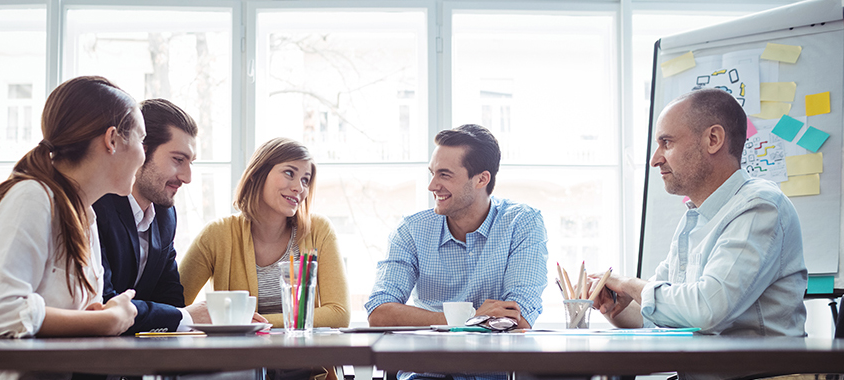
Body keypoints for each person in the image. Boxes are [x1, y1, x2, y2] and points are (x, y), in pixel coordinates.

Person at [0, 76, 142, 380]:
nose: (143, 155)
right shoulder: (32, 197)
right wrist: (108, 320)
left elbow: (77, 319)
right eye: (141, 140)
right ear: (112, 140)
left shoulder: (84, 216)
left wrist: (101, 316)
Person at [591, 89, 807, 378]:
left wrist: (629, 285)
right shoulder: (694, 219)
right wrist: (612, 306)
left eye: (666, 143)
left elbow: (706, 309)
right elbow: (663, 316)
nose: (655, 159)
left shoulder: (760, 206)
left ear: (713, 139)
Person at [365, 124, 548, 380]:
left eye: (444, 175)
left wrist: (441, 323)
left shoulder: (522, 223)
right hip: (426, 376)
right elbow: (379, 313)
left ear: (481, 179)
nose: (432, 186)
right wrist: (465, 320)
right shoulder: (412, 230)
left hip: (494, 376)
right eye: (432, 173)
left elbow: (518, 318)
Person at [179, 137, 350, 330]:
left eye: (305, 180)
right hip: (239, 351)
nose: (299, 188)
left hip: (303, 351)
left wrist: (248, 322)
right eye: (289, 173)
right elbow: (172, 307)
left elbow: (339, 314)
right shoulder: (217, 235)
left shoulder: (319, 230)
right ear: (257, 173)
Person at [92, 98, 209, 335]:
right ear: (140, 152)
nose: (187, 177)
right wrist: (185, 316)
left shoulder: (165, 215)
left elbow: (170, 300)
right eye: (178, 160)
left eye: (190, 162)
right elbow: (104, 303)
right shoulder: (96, 207)